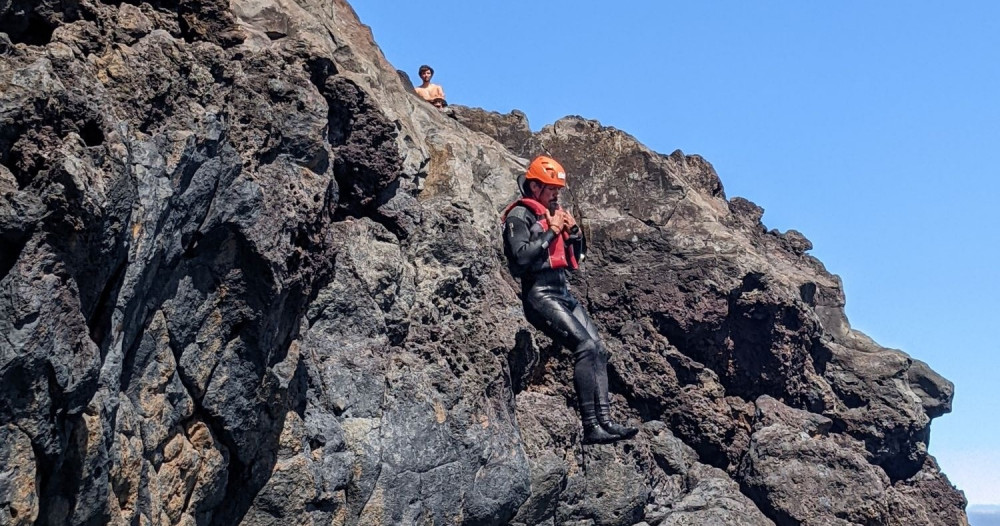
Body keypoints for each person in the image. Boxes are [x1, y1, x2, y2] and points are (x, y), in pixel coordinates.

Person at [501, 156, 638, 444]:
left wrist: (572, 233)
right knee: (585, 347)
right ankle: (591, 427)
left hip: (562, 291)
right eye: (552, 189)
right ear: (535, 186)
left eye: (558, 190)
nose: (556, 195)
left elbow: (578, 256)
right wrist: (551, 231)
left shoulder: (555, 211)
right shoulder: (520, 216)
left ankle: (606, 422)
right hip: (539, 294)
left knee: (598, 348)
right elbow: (521, 258)